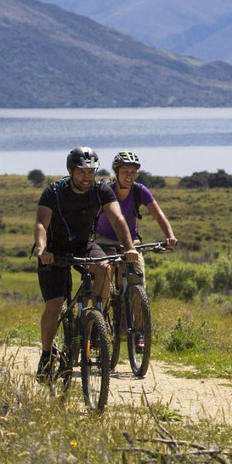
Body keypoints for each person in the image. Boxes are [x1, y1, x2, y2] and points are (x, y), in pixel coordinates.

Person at [34, 146, 136, 380]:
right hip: (54, 250)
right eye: (81, 172)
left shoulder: (101, 190)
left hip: (82, 245)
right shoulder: (53, 192)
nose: (87, 177)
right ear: (70, 171)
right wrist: (42, 249)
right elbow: (41, 223)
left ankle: (95, 320)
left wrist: (129, 247)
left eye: (91, 172)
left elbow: (117, 218)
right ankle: (46, 355)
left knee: (104, 267)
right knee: (54, 305)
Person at [94, 150, 178, 282]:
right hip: (104, 239)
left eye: (133, 172)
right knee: (104, 275)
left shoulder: (139, 191)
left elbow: (159, 215)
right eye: (125, 171)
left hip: (131, 240)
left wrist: (170, 236)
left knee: (136, 280)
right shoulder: (106, 190)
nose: (130, 176)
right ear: (116, 173)